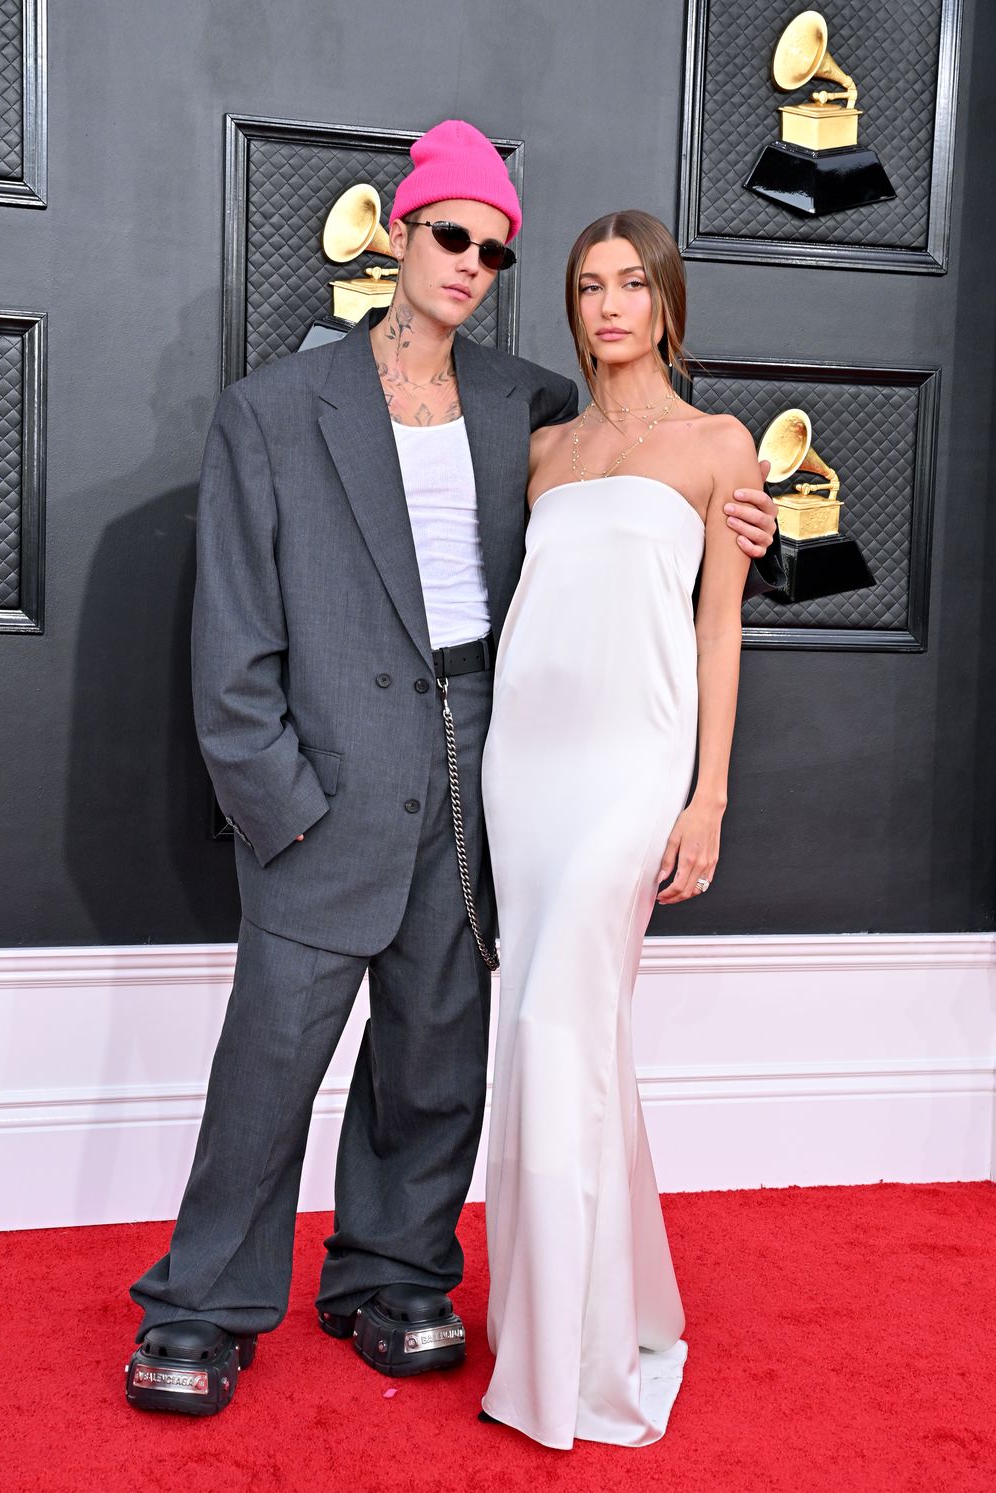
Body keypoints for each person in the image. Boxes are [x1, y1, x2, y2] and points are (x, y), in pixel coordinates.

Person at [124, 124, 779, 1416]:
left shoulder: (521, 401)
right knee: (271, 1061)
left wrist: (748, 520)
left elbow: (656, 494)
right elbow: (233, 635)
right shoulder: (271, 411)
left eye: (495, 247)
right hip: (322, 785)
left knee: (435, 1056)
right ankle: (202, 1304)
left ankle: (393, 1271)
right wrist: (274, 801)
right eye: (450, 235)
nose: (471, 262)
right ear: (400, 237)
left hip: (484, 772)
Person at [480, 210, 758, 1449]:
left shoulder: (717, 443)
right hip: (522, 764)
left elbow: (717, 630)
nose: (607, 306)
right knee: (559, 1029)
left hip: (636, 760)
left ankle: (570, 1364)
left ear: (665, 300)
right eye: (588, 286)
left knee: (556, 1023)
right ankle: (613, 1304)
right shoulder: (543, 448)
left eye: (630, 284)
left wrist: (705, 793)